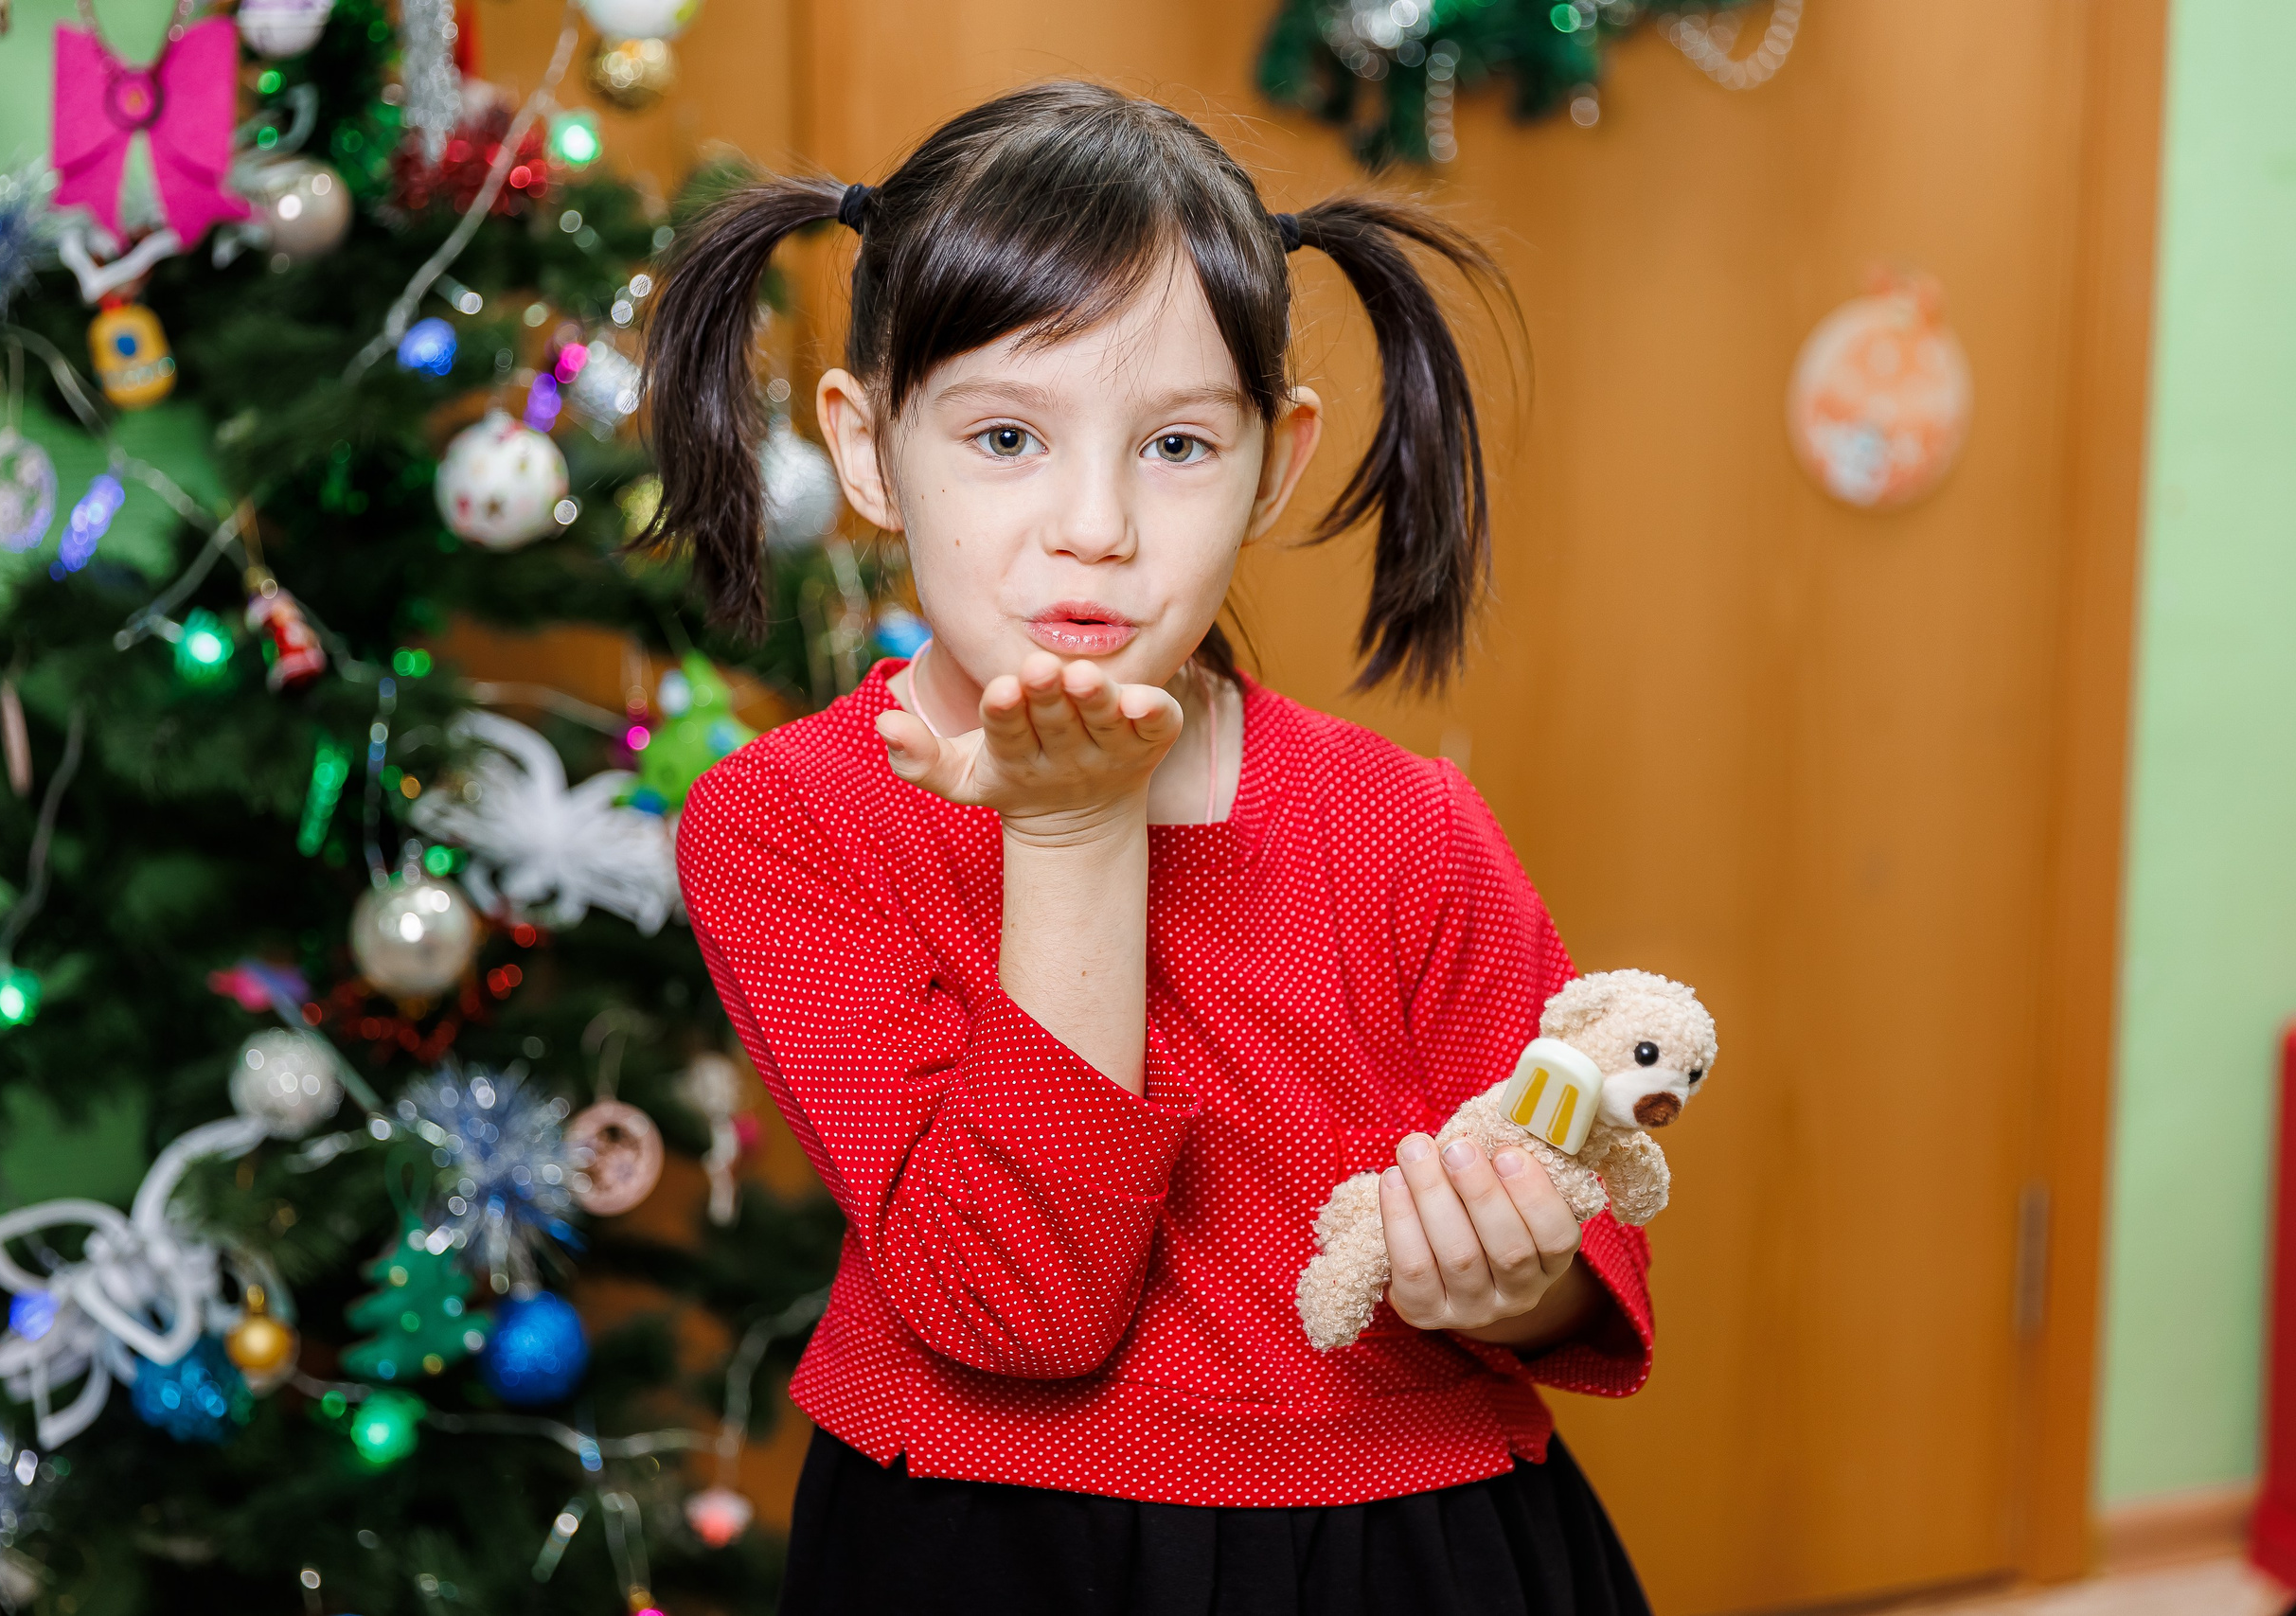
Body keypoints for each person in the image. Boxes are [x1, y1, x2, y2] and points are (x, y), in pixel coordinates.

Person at [645, 80, 1654, 1615]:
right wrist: (1073, 828)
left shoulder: (1407, 828)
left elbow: (1585, 1237)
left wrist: (1521, 1281)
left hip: (1406, 1537)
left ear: (1273, 462)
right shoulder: (793, 822)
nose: (1095, 525)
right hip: (991, 1544)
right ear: (863, 447)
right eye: (1004, 435)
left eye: (1177, 445)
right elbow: (1020, 1303)